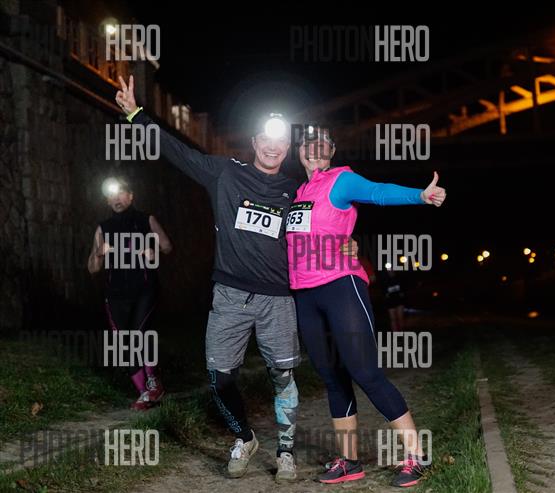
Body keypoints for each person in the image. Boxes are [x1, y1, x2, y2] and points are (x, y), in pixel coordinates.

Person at [115, 75, 303, 481]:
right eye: (265, 139)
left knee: (282, 375)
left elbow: (325, 220)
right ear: (254, 141)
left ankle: (286, 451)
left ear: (287, 147)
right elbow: (177, 152)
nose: (272, 147)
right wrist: (136, 115)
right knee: (219, 377)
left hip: (277, 298)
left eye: (280, 141)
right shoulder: (225, 173)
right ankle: (244, 438)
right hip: (230, 295)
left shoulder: (296, 190)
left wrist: (346, 244)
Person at [286, 127, 446, 487]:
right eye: (307, 144)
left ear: (331, 151)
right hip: (305, 294)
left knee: (365, 372)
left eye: (321, 144)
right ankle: (349, 461)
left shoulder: (341, 180)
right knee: (332, 377)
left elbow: (377, 192)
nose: (313, 149)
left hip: (340, 286)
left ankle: (417, 455)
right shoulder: (299, 194)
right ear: (299, 151)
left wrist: (419, 196)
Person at [87, 177, 171, 410]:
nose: (116, 198)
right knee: (125, 344)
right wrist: (99, 253)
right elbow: (92, 268)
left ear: (131, 196)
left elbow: (166, 246)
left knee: (138, 335)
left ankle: (152, 380)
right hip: (115, 295)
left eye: (121, 193)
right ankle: (144, 393)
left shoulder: (146, 220)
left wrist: (152, 250)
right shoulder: (103, 228)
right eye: (111, 195)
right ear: (107, 200)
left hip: (144, 289)